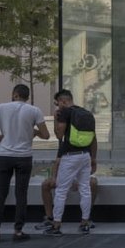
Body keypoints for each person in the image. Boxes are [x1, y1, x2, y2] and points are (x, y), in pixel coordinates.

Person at [0, 84, 50, 244]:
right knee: (21, 194)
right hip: (24, 156)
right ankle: (18, 231)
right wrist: (33, 131)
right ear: (27, 96)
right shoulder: (34, 110)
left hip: (4, 155)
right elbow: (46, 135)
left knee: (0, 193)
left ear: (14, 94)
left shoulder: (1, 107)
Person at [48, 90, 96, 237]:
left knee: (61, 191)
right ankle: (85, 223)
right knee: (85, 189)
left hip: (70, 156)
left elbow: (59, 135)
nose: (57, 106)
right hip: (85, 156)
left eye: (57, 103)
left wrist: (56, 118)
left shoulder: (65, 113)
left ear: (63, 101)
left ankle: (56, 226)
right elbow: (93, 139)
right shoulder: (86, 113)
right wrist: (94, 158)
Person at [40, 158, 99, 230]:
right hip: (66, 174)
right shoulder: (66, 150)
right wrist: (54, 177)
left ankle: (86, 218)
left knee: (93, 183)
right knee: (46, 184)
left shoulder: (87, 150)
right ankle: (49, 218)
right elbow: (57, 162)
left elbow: (93, 164)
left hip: (82, 174)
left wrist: (82, 178)